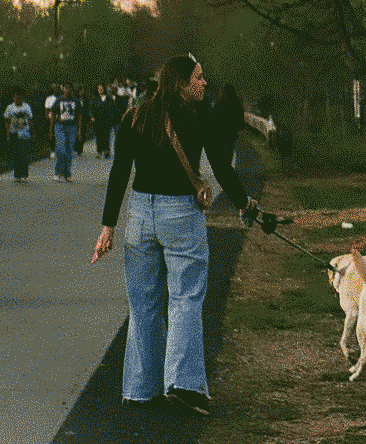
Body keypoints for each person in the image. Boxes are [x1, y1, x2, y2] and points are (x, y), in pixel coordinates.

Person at [89, 54, 262, 416]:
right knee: (185, 298)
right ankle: (182, 384)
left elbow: (120, 173)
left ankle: (140, 389)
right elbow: (220, 169)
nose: (204, 83)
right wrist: (245, 203)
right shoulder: (198, 119)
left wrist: (108, 227)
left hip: (139, 216)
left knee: (143, 304)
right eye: (198, 78)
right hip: (180, 215)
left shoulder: (134, 116)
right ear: (181, 83)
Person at [49, 84, 80, 181]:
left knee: (69, 151)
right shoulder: (59, 100)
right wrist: (51, 130)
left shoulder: (76, 101)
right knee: (61, 149)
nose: (68, 90)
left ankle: (67, 173)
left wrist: (79, 131)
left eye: (70, 88)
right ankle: (58, 172)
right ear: (63, 89)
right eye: (66, 88)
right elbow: (53, 114)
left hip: (72, 127)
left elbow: (79, 116)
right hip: (60, 126)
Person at [4, 87, 35, 182]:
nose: (17, 99)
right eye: (16, 97)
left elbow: (30, 119)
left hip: (24, 133)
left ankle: (24, 174)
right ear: (13, 97)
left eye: (19, 97)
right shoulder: (10, 107)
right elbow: (7, 120)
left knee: (23, 154)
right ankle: (17, 174)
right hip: (14, 132)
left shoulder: (26, 107)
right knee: (16, 154)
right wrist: (8, 133)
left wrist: (32, 132)